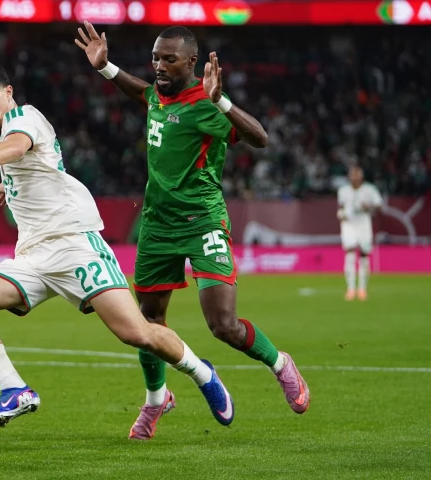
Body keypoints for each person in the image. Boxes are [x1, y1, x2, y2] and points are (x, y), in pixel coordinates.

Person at [0, 61, 235, 432]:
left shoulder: (25, 118)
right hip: (33, 258)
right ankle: (14, 389)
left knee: (136, 333)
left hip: (75, 247)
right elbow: (36, 164)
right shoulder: (7, 134)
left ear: (7, 93)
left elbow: (17, 147)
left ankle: (203, 374)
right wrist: (9, 187)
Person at [76, 22, 311, 440]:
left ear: (192, 62)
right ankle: (156, 400)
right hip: (156, 225)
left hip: (203, 221)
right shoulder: (157, 95)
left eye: (169, 59)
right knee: (147, 321)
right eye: (155, 58)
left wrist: (221, 101)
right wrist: (106, 67)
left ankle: (280, 364)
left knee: (223, 325)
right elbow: (142, 93)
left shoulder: (205, 104)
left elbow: (259, 137)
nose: (159, 66)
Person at [337, 166, 383, 301]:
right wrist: (341, 214)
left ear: (361, 177)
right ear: (349, 177)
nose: (355, 178)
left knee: (364, 254)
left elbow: (379, 206)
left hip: (363, 223)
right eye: (352, 175)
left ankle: (362, 289)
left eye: (357, 175)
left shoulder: (370, 189)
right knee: (350, 253)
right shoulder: (343, 190)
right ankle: (350, 289)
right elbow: (340, 207)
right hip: (349, 224)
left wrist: (369, 207)